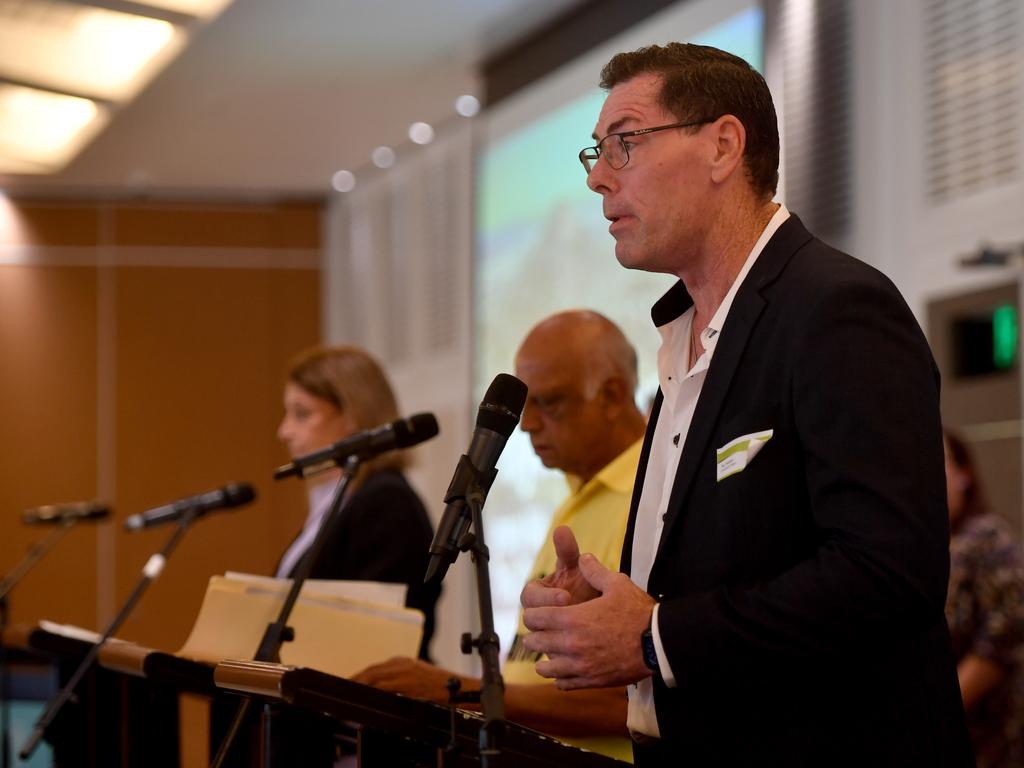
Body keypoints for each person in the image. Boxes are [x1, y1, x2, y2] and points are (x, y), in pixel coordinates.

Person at [519, 43, 973, 766]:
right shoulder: (682, 336)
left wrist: (654, 636)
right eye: (594, 153)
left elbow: (889, 575)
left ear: (724, 146)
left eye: (625, 144)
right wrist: (608, 615)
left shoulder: (836, 308)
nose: (600, 179)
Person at [353, 310, 647, 761]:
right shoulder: (578, 494)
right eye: (525, 405)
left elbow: (637, 704)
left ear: (611, 395)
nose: (527, 424)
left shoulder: (649, 496)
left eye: (549, 403)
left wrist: (460, 691)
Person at [275, 344, 440, 659]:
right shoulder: (338, 500)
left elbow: (374, 633)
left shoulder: (387, 503)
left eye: (302, 414)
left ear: (352, 416)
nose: (284, 431)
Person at [944, 428, 1024, 766]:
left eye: (941, 461)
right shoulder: (918, 550)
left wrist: (937, 713)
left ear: (964, 475)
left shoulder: (986, 537)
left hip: (992, 739)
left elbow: (1002, 638)